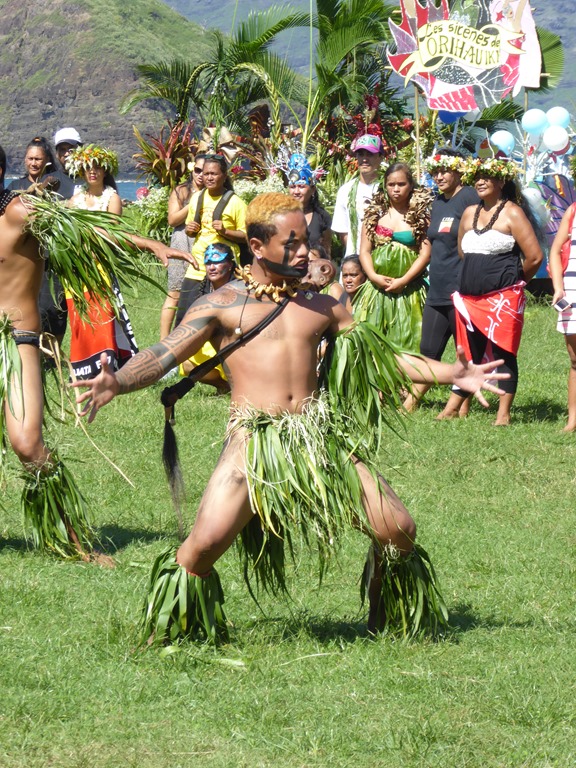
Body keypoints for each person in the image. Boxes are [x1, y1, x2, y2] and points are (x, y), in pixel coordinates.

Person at [73, 192, 509, 644]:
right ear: (257, 246)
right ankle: (175, 630)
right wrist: (118, 381)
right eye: (292, 243)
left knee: (397, 528)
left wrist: (453, 373)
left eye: (306, 241)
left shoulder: (322, 307)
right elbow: (165, 353)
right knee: (202, 547)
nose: (305, 252)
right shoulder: (221, 305)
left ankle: (387, 617)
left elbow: (384, 357)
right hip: (253, 441)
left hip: (316, 435)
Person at [0, 142, 192, 562]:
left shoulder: (20, 211)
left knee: (27, 444)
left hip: (14, 340)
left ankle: (75, 541)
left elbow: (89, 230)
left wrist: (150, 244)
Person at [444, 157, 543, 425]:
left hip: (503, 298)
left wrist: (513, 281)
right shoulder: (469, 213)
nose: (480, 181)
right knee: (469, 353)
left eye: (487, 177)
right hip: (469, 298)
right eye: (477, 177)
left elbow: (534, 256)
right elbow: (464, 251)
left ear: (501, 181)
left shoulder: (512, 213)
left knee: (503, 352)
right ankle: (456, 407)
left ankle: (503, 414)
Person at [405, 150, 480, 414]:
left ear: (458, 171)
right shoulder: (437, 202)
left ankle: (461, 407)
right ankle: (411, 402)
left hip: (461, 290)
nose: (439, 176)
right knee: (428, 350)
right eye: (435, 172)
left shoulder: (469, 197)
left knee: (465, 351)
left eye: (444, 170)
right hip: (437, 287)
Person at [64, 144, 138, 381]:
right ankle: (83, 366)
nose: (92, 171)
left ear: (105, 171)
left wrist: (87, 234)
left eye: (97, 167)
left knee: (103, 314)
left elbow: (113, 233)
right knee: (80, 316)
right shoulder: (74, 201)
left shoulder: (111, 198)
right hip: (78, 267)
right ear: (81, 171)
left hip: (101, 266)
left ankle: (106, 365)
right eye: (88, 167)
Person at [357, 163, 432, 353]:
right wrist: (373, 276)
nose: (396, 189)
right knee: (373, 342)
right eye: (391, 184)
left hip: (409, 290)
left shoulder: (420, 216)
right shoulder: (374, 215)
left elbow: (425, 254)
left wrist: (404, 280)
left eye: (401, 184)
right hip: (377, 290)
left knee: (408, 343)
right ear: (385, 185)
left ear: (411, 185)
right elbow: (364, 251)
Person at [175, 153, 247, 326]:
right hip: (197, 267)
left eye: (213, 174)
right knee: (185, 318)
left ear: (224, 176)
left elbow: (247, 236)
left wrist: (225, 231)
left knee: (224, 320)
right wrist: (190, 230)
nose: (208, 177)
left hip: (224, 271)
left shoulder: (236, 203)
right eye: (206, 173)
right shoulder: (197, 198)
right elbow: (191, 230)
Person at [160, 154, 206, 339]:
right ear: (192, 170)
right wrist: (195, 202)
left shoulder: (216, 192)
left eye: (205, 171)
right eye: (198, 170)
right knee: (175, 292)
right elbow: (172, 220)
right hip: (181, 242)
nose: (201, 175)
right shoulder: (181, 191)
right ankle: (163, 341)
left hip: (203, 242)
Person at [179, 242, 235, 393]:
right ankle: (224, 386)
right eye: (208, 263)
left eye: (217, 262)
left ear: (230, 265)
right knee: (187, 363)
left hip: (238, 346)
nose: (212, 267)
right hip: (211, 343)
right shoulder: (199, 291)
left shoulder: (242, 289)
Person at [332, 134, 383, 257]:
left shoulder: (387, 188)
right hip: (354, 259)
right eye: (360, 154)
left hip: (382, 257)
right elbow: (343, 231)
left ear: (381, 157)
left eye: (370, 154)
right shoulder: (345, 191)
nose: (364, 159)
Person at [548, 203, 576, 432]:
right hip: (572, 293)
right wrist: (558, 288)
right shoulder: (573, 210)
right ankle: (572, 421)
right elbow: (555, 250)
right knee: (575, 361)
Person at [286, 153, 332, 254]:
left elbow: (327, 251)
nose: (296, 191)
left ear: (312, 189)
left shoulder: (322, 216)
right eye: (293, 187)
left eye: (301, 187)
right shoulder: (282, 215)